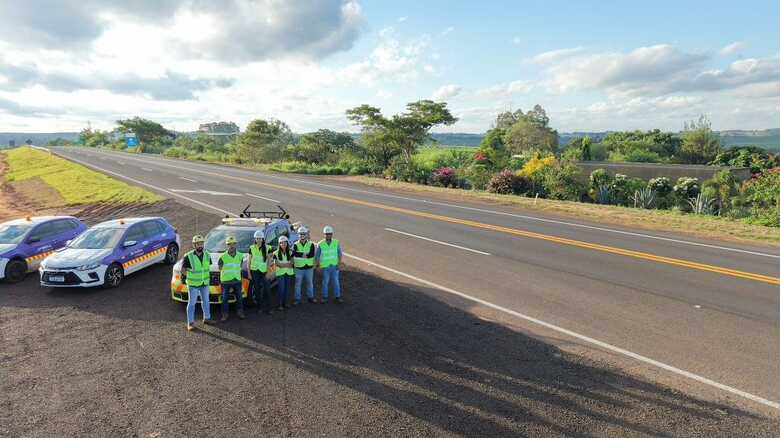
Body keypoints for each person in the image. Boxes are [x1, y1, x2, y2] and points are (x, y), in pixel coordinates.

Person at [181, 235, 215, 331]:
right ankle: (190, 323)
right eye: (198, 244)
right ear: (194, 245)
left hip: (204, 283)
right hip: (193, 285)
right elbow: (183, 270)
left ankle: (207, 318)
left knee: (206, 301)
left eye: (201, 243)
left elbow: (206, 268)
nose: (200, 245)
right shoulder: (188, 256)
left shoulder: (207, 255)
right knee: (192, 303)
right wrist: (189, 277)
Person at [219, 235, 246, 321]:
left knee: (239, 298)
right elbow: (220, 268)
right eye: (229, 244)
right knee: (224, 299)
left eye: (233, 244)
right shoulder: (222, 257)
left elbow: (240, 266)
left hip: (237, 280)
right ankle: (224, 314)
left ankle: (240, 312)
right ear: (227, 246)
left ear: (235, 245)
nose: (231, 246)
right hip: (225, 281)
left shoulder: (240, 256)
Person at [248, 230, 273, 315]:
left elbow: (269, 261)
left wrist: (268, 272)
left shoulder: (268, 248)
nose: (259, 240)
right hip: (254, 271)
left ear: (263, 239)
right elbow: (249, 261)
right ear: (255, 239)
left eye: (260, 238)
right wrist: (249, 273)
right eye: (257, 238)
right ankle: (260, 308)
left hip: (264, 271)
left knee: (267, 289)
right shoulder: (251, 248)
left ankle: (269, 308)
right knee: (257, 290)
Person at [316, 225, 343, 303]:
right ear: (324, 234)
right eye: (326, 234)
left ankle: (337, 297)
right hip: (325, 267)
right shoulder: (320, 244)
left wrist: (339, 264)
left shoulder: (336, 242)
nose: (328, 235)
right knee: (325, 282)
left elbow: (339, 254)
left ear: (332, 234)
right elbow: (317, 256)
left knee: (336, 282)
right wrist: (318, 266)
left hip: (335, 266)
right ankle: (324, 297)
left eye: (329, 234)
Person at [292, 226, 316, 305]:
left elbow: (311, 254)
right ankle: (297, 299)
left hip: (309, 268)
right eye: (300, 234)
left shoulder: (311, 244)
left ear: (306, 235)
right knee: (297, 284)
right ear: (298, 235)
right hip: (299, 268)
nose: (302, 235)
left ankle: (310, 298)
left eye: (303, 234)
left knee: (310, 283)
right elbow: (294, 253)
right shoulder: (295, 245)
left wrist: (300, 254)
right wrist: (304, 254)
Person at [273, 235, 294, 311]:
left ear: (287, 243)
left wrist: (283, 265)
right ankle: (280, 304)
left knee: (287, 289)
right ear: (279, 244)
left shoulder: (291, 252)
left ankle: (286, 303)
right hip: (280, 274)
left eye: (285, 243)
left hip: (288, 273)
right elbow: (277, 264)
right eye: (281, 243)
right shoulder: (275, 253)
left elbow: (292, 263)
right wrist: (286, 265)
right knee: (281, 289)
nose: (283, 244)